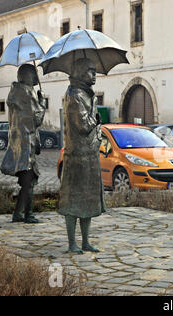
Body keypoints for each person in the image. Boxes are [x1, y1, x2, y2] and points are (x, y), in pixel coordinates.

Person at [58, 58, 105, 254]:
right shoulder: (75, 95)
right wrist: (95, 111)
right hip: (77, 156)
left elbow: (95, 126)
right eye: (90, 71)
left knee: (88, 199)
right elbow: (84, 125)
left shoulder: (87, 94)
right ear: (79, 73)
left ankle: (85, 241)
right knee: (73, 200)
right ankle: (72, 243)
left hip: (89, 154)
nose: (94, 75)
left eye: (95, 71)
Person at [0, 64, 46, 224]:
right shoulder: (26, 94)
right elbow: (37, 119)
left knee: (28, 182)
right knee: (28, 181)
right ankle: (27, 215)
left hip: (19, 144)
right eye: (34, 74)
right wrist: (42, 103)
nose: (36, 78)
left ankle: (21, 213)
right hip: (26, 144)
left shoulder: (15, 93)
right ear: (27, 76)